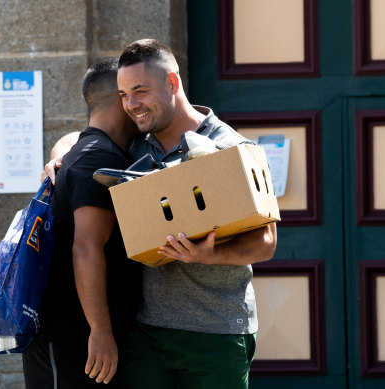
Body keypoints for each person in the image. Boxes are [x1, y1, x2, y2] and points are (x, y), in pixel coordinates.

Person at [45, 39, 278, 389]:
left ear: (172, 82)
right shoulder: (138, 143)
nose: (131, 105)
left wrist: (212, 255)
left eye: (139, 91)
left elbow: (267, 243)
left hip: (217, 333)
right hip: (148, 335)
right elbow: (85, 135)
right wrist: (59, 152)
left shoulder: (232, 148)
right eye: (123, 95)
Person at [22, 58, 142, 388]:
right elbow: (86, 249)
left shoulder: (92, 150)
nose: (138, 103)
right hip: (73, 338)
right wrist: (101, 332)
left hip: (76, 336)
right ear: (121, 97)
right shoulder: (98, 158)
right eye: (134, 92)